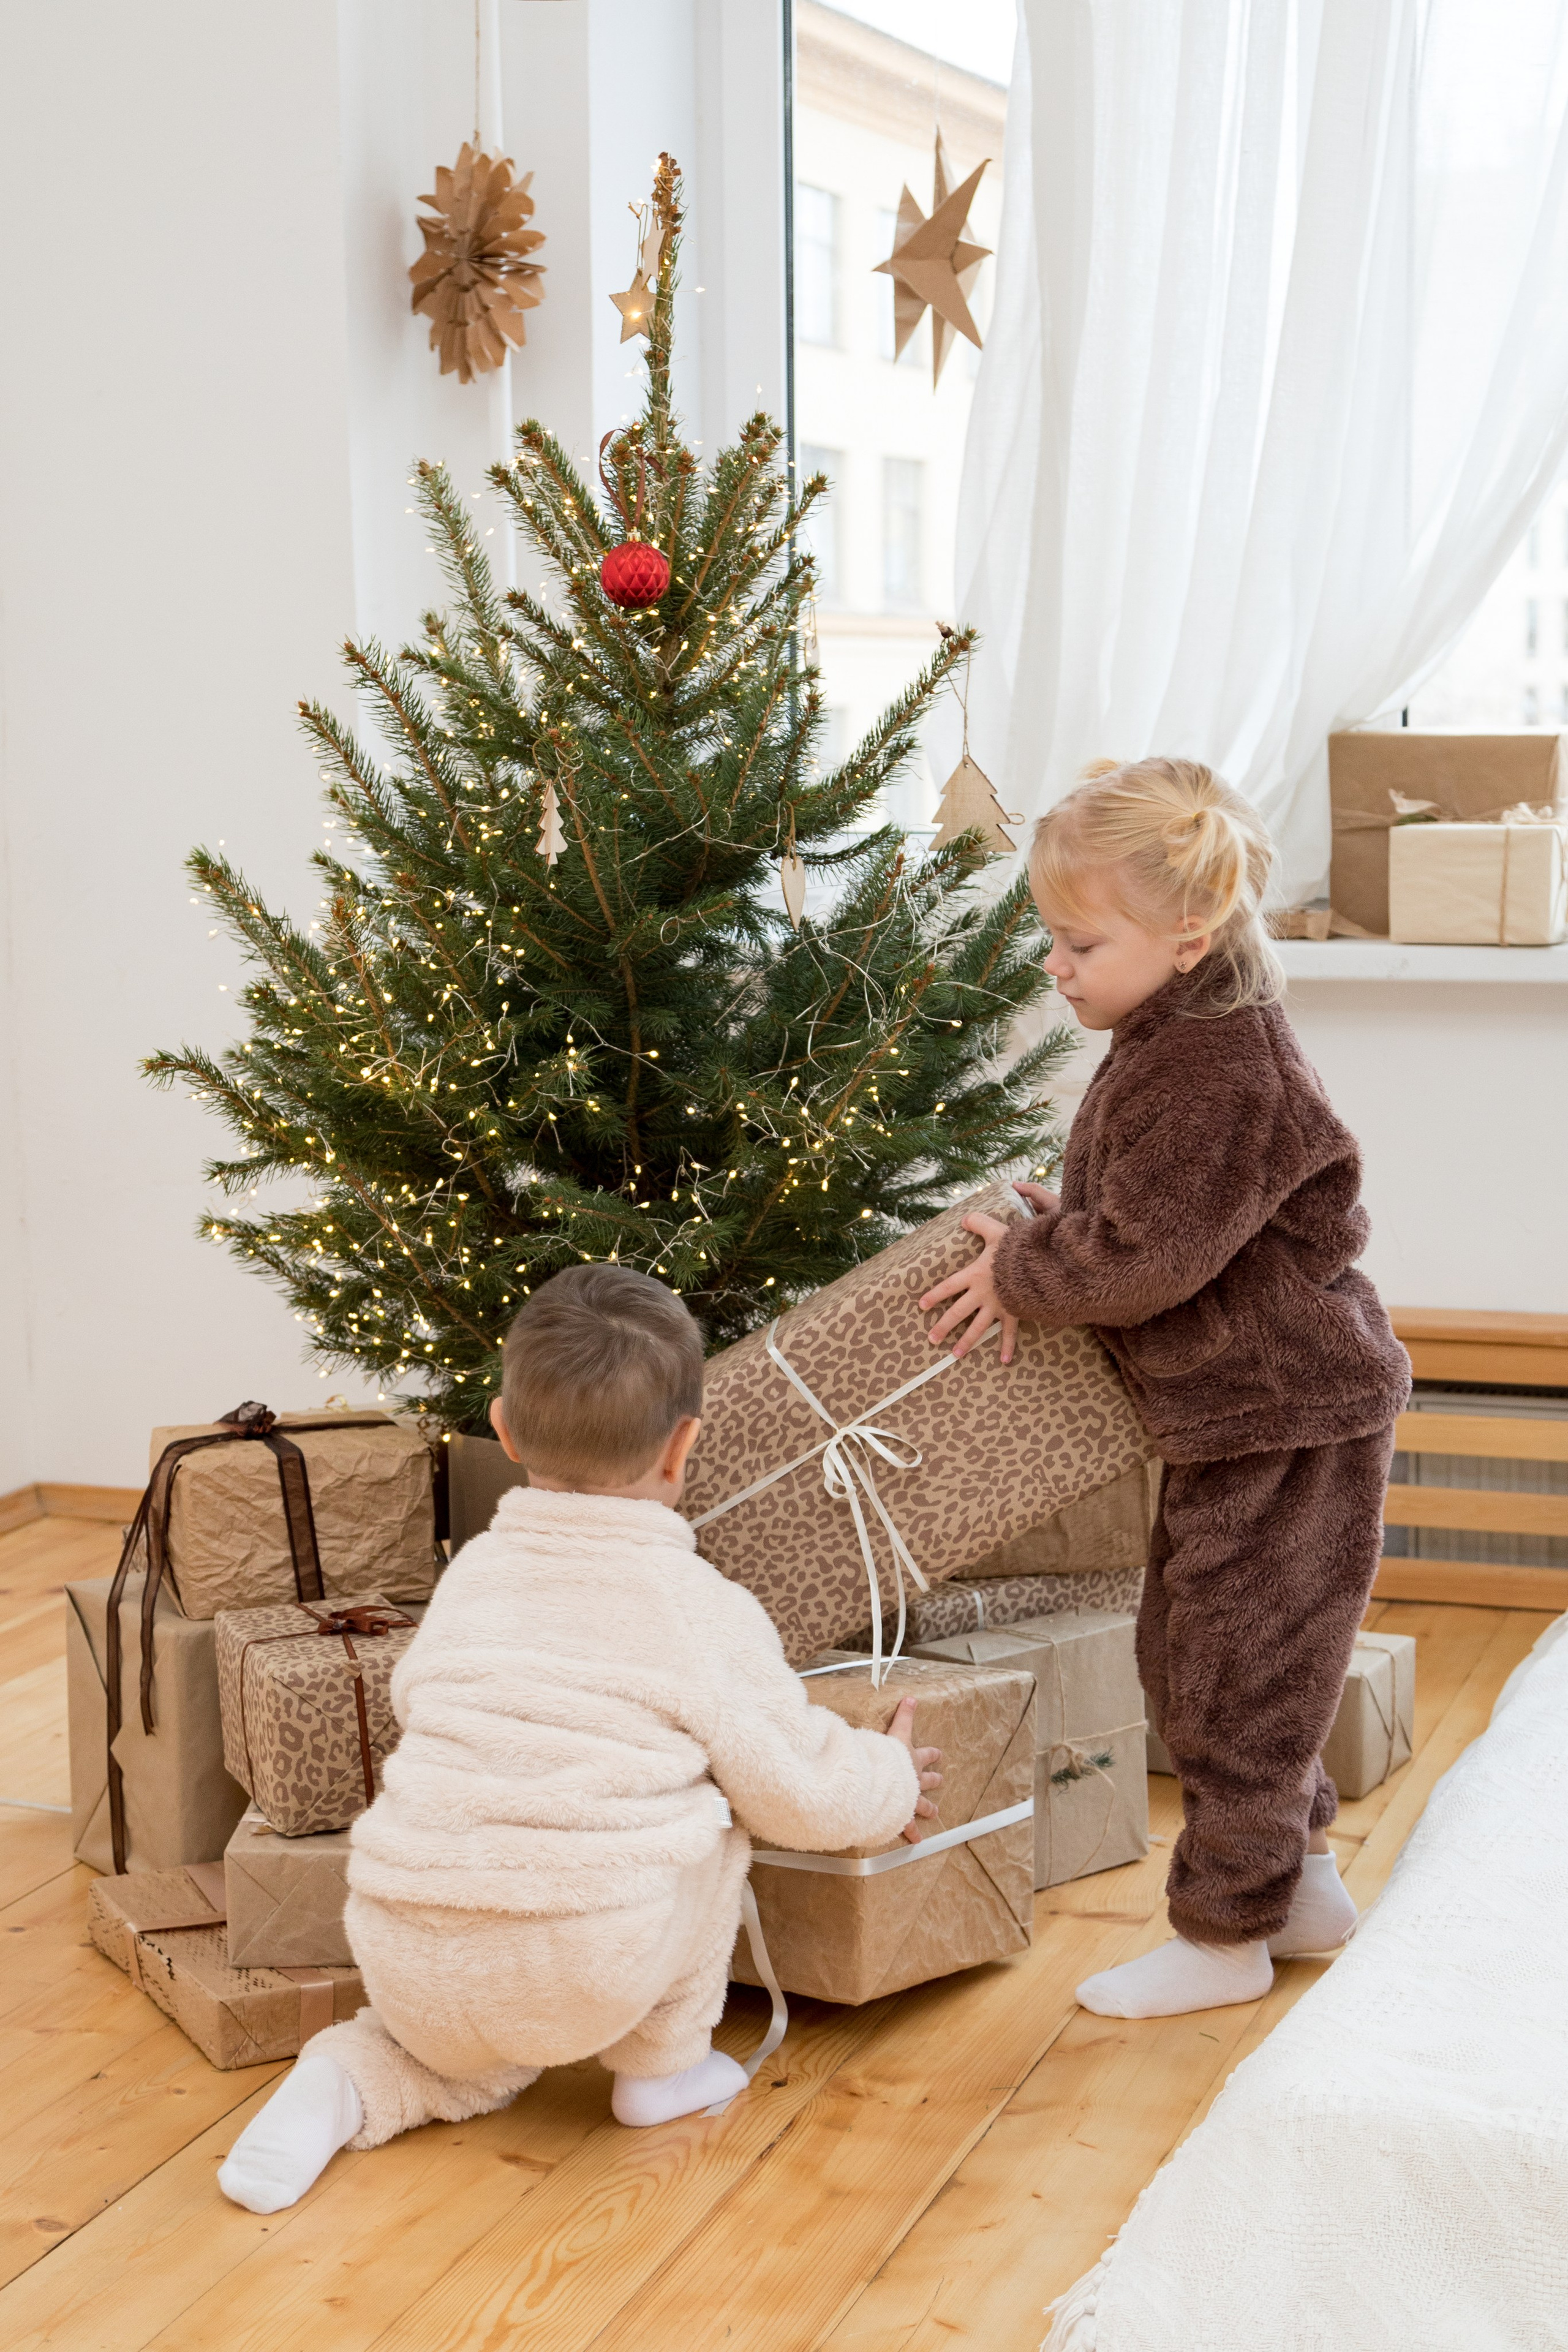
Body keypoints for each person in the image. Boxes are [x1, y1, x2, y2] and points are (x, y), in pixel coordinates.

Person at [218, 1264, 941, 2213]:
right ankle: (660, 2071)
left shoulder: (472, 1578)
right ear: (684, 1446)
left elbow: (413, 1699)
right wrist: (890, 1778)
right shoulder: (697, 1605)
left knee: (445, 2062)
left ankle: (342, 2083)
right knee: (720, 1816)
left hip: (405, 1945)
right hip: (589, 1963)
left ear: (504, 1430)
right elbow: (798, 1790)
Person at [920, 756, 1409, 2021]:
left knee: (1238, 1675)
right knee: (1208, 1654)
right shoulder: (1176, 1037)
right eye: (1052, 940)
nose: (1055, 967)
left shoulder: (1216, 1067)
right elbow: (1166, 1218)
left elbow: (1147, 1258)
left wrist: (1029, 1269)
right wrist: (1065, 1222)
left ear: (1187, 935)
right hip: (1242, 1411)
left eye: (1080, 944)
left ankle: (1222, 1937)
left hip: (1285, 1415)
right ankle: (1299, 1887)